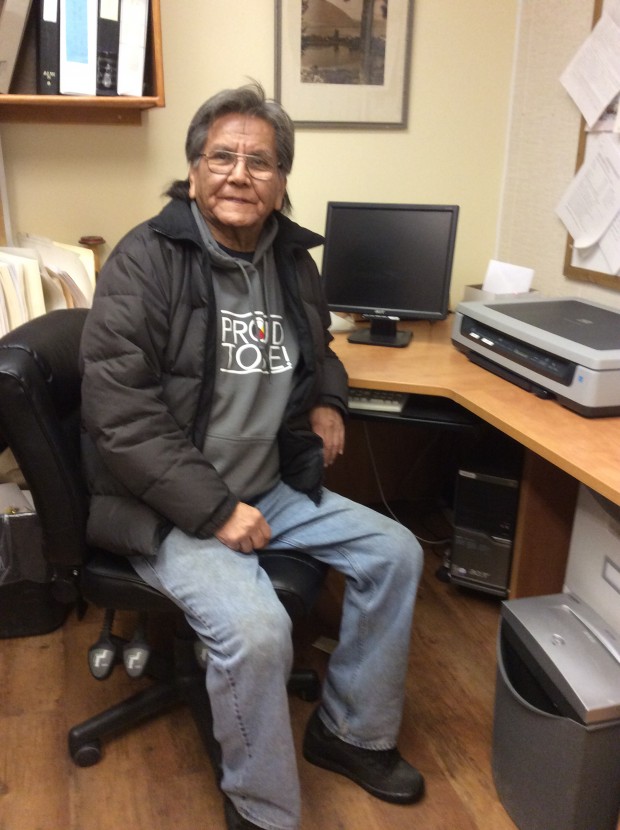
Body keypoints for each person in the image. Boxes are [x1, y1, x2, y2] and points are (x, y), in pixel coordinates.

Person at [79, 81, 424, 830]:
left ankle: (350, 733)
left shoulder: (290, 260)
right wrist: (213, 508)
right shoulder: (146, 260)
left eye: (259, 162)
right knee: (260, 629)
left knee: (395, 551)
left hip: (267, 485)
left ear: (281, 181)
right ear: (195, 171)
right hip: (166, 505)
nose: (240, 174)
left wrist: (328, 397)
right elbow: (120, 414)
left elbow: (319, 345)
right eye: (222, 157)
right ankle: (262, 808)